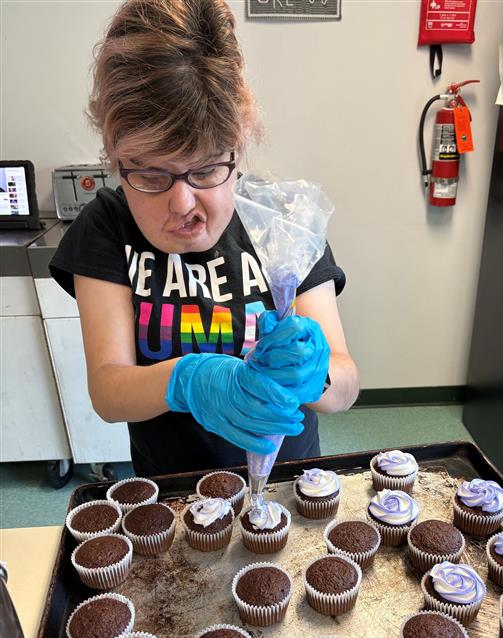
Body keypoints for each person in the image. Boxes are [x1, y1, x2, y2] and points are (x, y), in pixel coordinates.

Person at [50, 0, 359, 477]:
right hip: (174, 492)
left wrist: (315, 376)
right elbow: (109, 393)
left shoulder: (282, 221)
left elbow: (345, 386)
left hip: (288, 484)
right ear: (114, 156)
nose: (182, 204)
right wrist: (186, 380)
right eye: (151, 174)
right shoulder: (108, 226)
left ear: (238, 145)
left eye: (208, 168)